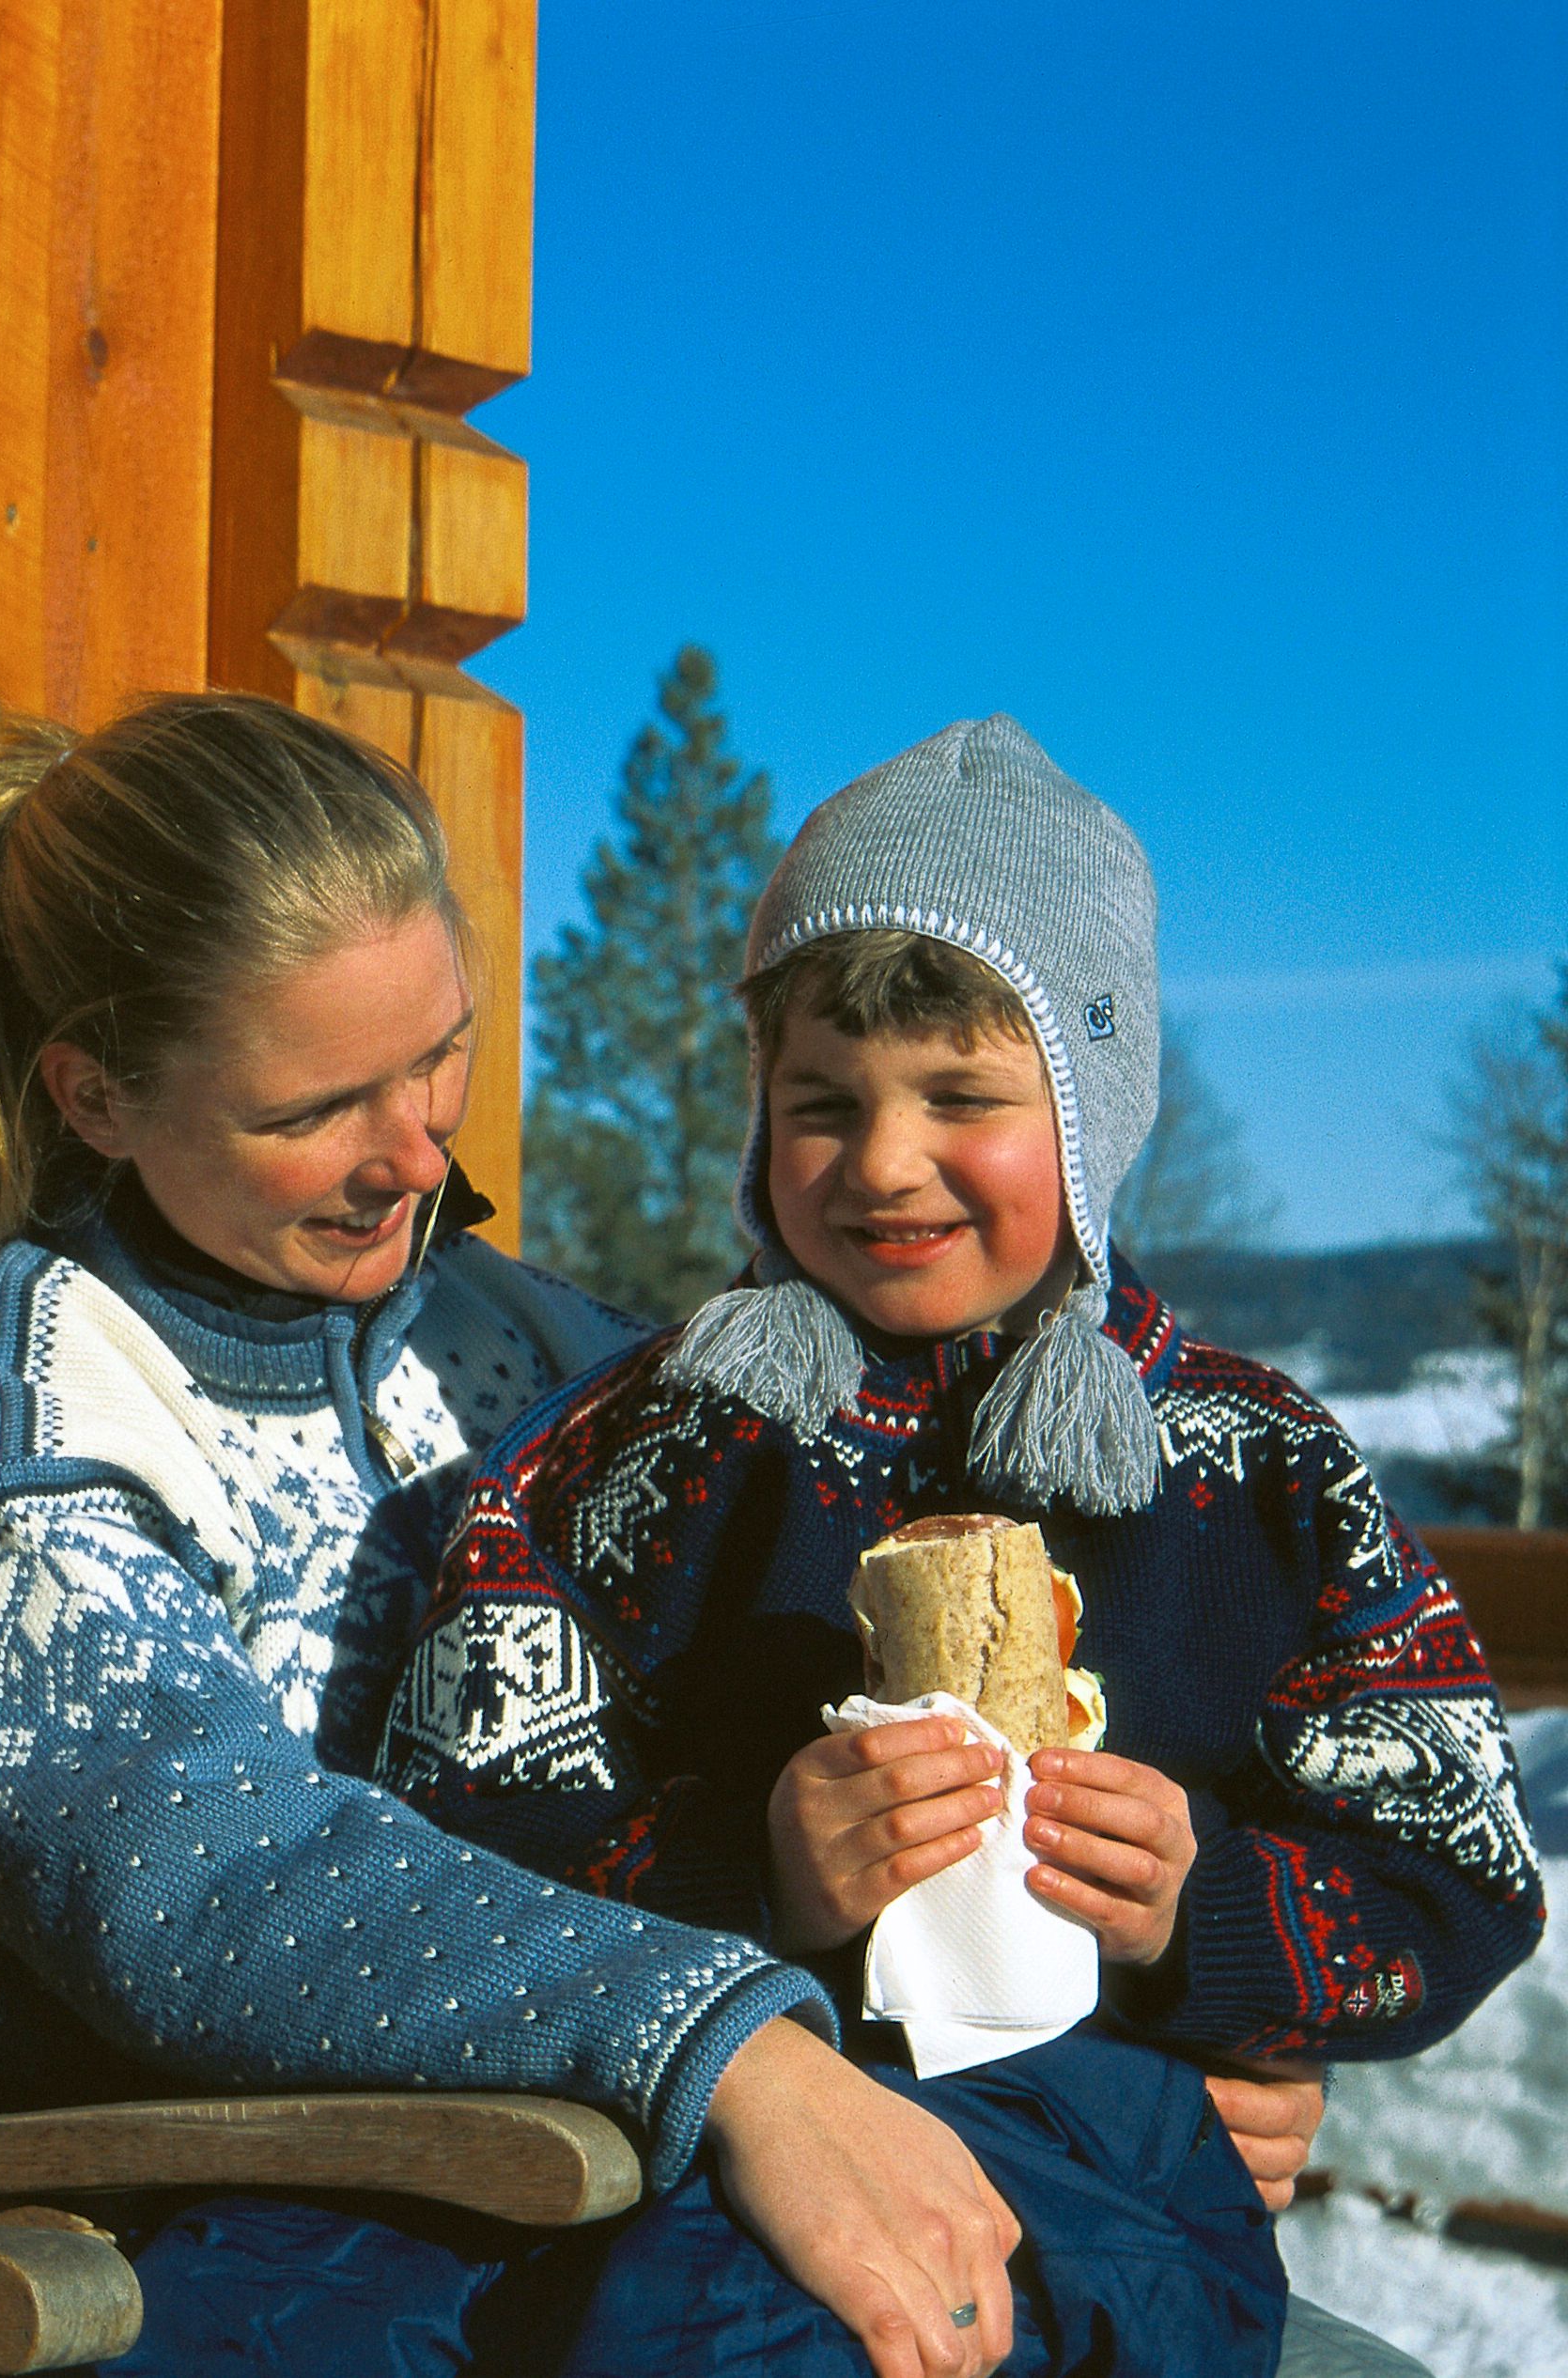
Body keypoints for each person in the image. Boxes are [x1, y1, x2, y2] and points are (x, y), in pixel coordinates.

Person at [0, 692, 1049, 2378]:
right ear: (97, 1095)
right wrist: (734, 2051)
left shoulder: (508, 1341)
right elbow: (210, 1883)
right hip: (114, 2249)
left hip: (486, 2183)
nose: (417, 1152)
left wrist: (1182, 1983)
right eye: (313, 1111)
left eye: (439, 1052)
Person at [388, 715, 1546, 2373]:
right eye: (820, 1101)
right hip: (712, 2152)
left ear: (1091, 1110)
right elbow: (453, 1834)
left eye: (962, 1096)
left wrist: (1201, 1918)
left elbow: (1456, 1866)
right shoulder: (636, 1451)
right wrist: (749, 1872)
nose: (882, 1163)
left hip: (1112, 2169)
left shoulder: (1261, 1470)